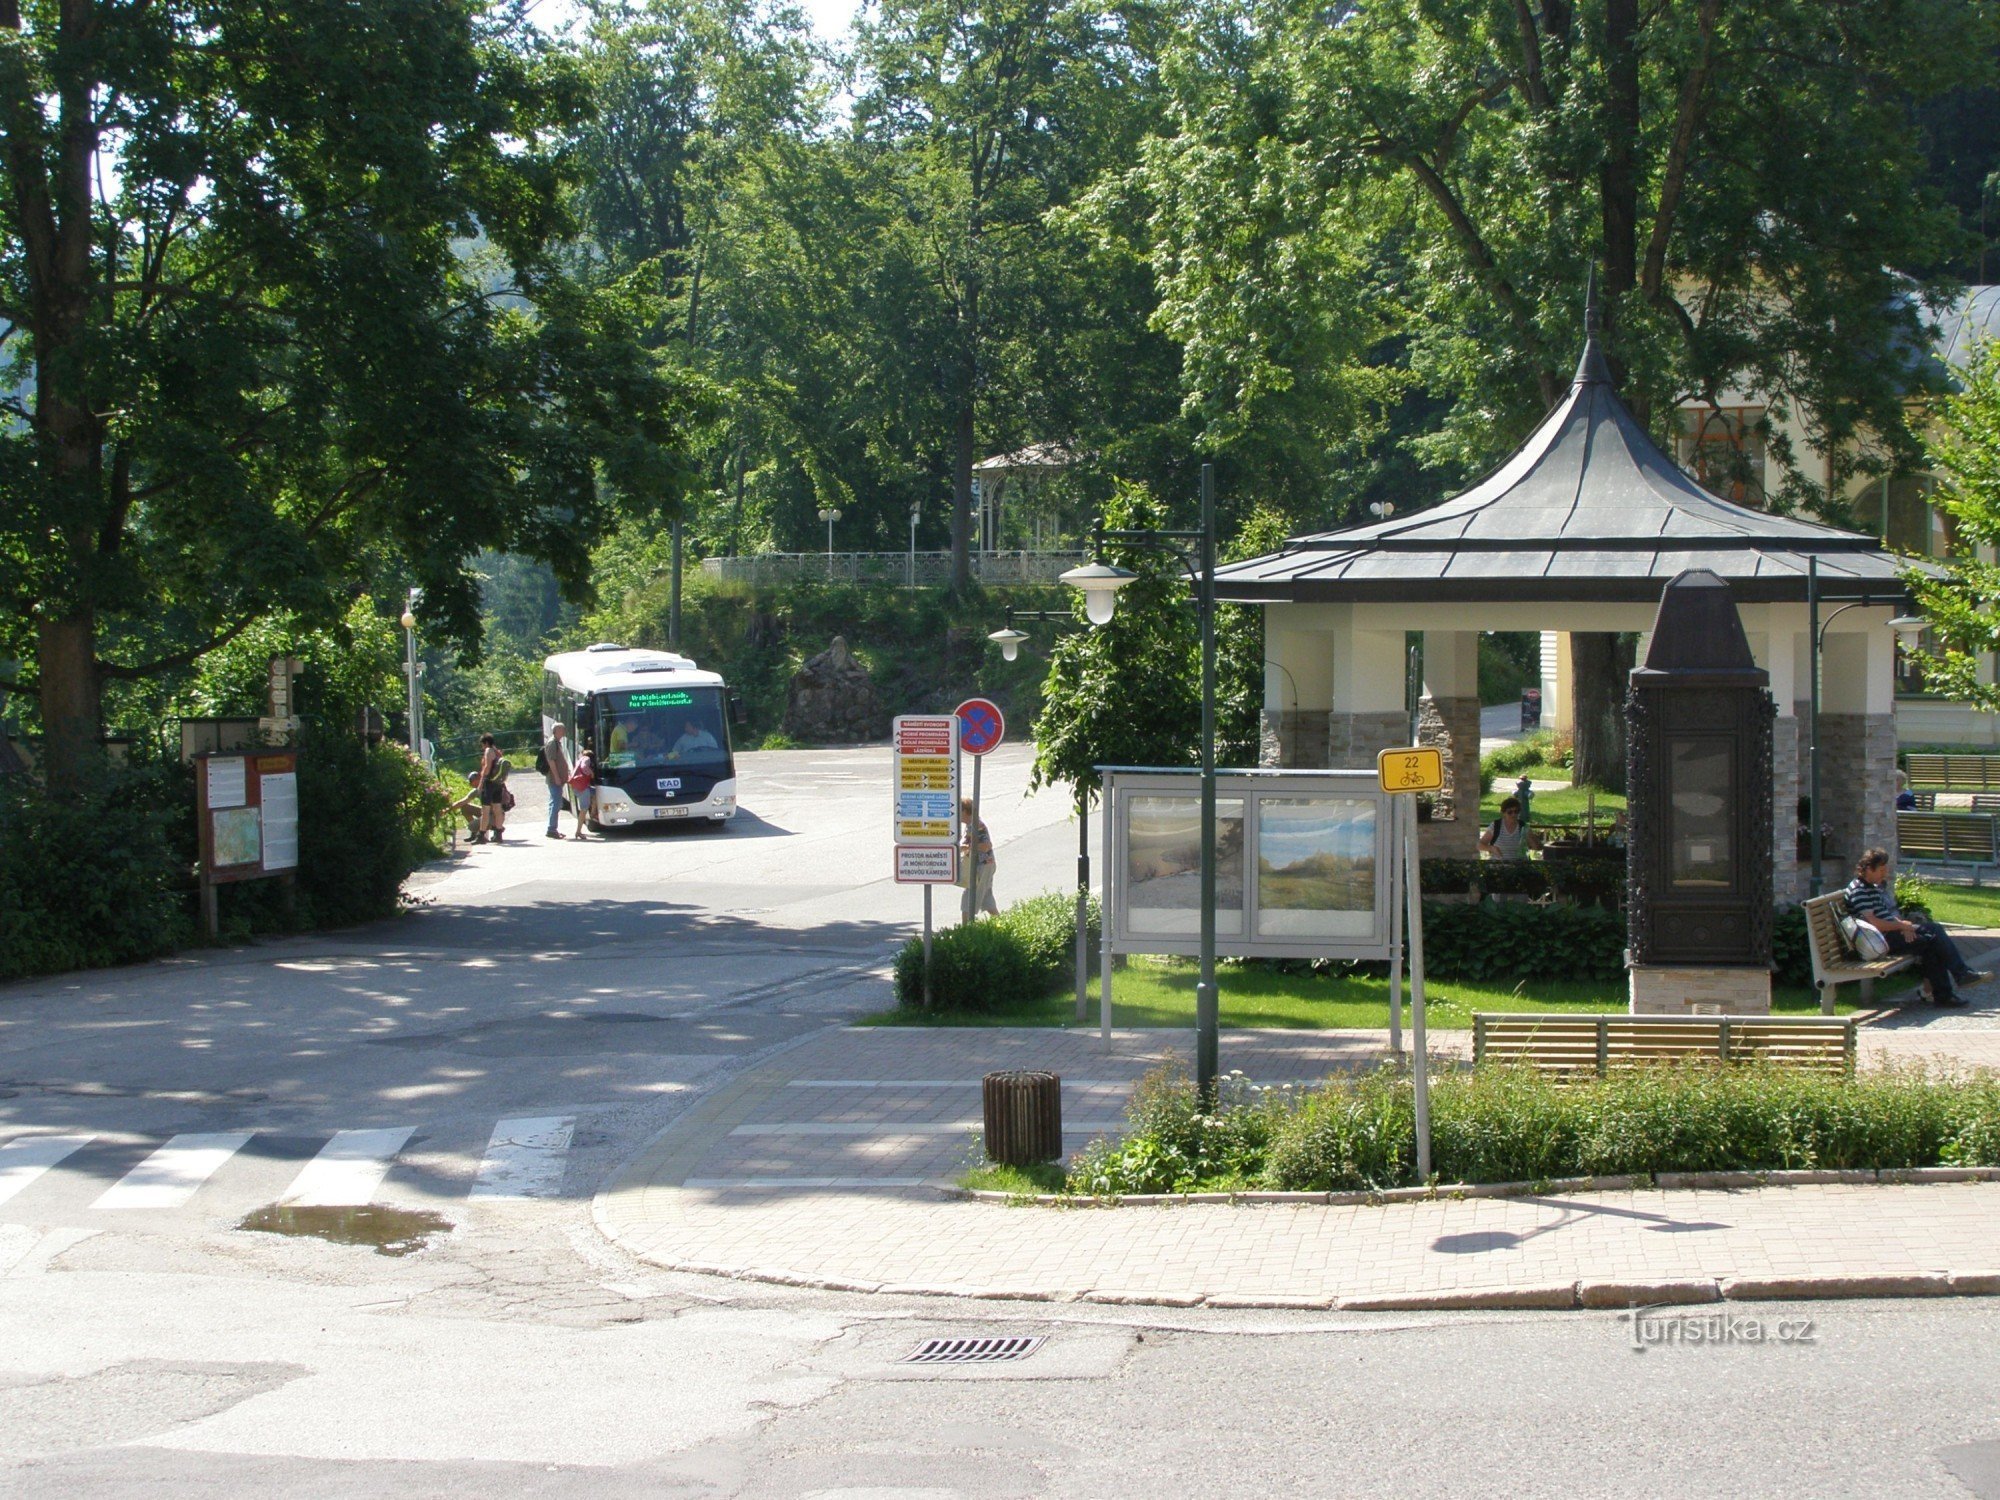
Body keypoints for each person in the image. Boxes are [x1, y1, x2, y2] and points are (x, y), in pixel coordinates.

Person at [1844, 848, 1991, 1007]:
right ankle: (1953, 984)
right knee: (1931, 941)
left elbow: (1884, 915)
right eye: (1881, 870)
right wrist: (1901, 925)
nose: (1884, 874)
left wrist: (1905, 926)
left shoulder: (1870, 887)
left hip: (1890, 933)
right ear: (1868, 869)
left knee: (1934, 930)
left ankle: (1953, 984)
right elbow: (1874, 923)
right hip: (1881, 940)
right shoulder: (1859, 890)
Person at [958, 795, 998, 918]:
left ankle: (966, 931)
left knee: (969, 897)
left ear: (964, 811)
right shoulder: (971, 825)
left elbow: (987, 845)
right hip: (983, 865)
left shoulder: (977, 825)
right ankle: (1000, 923)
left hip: (982, 865)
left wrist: (968, 847)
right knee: (986, 898)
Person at [1479, 797, 1540, 861]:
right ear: (1503, 813)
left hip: (1520, 865)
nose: (1513, 814)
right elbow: (1480, 845)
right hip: (1499, 865)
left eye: (1516, 811)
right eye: (1510, 812)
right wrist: (1491, 848)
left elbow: (1537, 847)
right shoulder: (1496, 825)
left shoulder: (1523, 826)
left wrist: (1533, 841)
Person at [474, 733, 509, 844]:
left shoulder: (488, 751)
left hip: (489, 783)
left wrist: (480, 783)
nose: (482, 747)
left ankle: (481, 836)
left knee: (485, 810)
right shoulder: (497, 752)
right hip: (498, 784)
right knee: (497, 809)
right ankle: (498, 834)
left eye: (482, 744)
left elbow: (487, 768)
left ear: (486, 742)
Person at [540, 722, 572, 839]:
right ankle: (552, 829)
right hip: (554, 780)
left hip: (557, 779)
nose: (564, 731)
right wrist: (557, 777)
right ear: (556, 731)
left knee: (555, 803)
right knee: (556, 803)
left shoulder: (556, 742)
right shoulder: (552, 743)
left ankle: (552, 828)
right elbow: (551, 761)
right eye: (562, 729)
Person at [568, 747, 595, 839]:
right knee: (584, 809)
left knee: (595, 795)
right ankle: (578, 831)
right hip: (582, 787)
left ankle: (593, 815)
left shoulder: (579, 759)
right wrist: (591, 773)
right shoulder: (586, 759)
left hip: (577, 785)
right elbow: (584, 768)